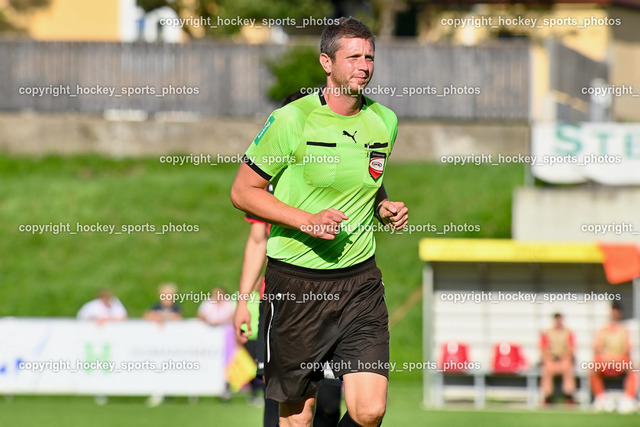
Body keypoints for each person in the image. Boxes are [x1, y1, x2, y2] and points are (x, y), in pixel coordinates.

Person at [231, 17, 408, 427]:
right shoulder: (292, 120)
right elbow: (243, 192)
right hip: (296, 285)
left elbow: (365, 176)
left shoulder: (386, 121)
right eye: (353, 57)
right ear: (327, 63)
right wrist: (305, 220)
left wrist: (382, 206)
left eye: (369, 57)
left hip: (360, 283)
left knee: (370, 411)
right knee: (298, 417)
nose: (363, 65)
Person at [235, 172, 342, 426]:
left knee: (328, 402)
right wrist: (242, 302)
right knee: (278, 398)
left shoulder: (336, 164)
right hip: (279, 301)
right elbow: (257, 239)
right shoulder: (269, 174)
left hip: (332, 295)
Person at [590, 302, 638, 413]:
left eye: (617, 311)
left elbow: (627, 349)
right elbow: (597, 348)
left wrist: (616, 358)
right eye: (613, 311)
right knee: (593, 367)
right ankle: (600, 398)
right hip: (604, 361)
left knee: (633, 368)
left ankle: (628, 400)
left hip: (620, 361)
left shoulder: (624, 330)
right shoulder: (603, 330)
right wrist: (607, 358)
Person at [143, 283, 182, 407]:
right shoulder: (156, 306)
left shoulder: (176, 308)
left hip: (171, 345)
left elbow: (178, 318)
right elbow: (147, 315)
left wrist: (161, 317)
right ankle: (157, 393)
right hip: (156, 345)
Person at [539, 313, 575, 404]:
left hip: (564, 359)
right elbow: (543, 348)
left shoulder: (568, 332)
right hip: (551, 358)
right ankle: (547, 396)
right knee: (547, 369)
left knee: (567, 368)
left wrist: (564, 357)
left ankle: (569, 396)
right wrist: (549, 358)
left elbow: (571, 348)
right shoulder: (547, 332)